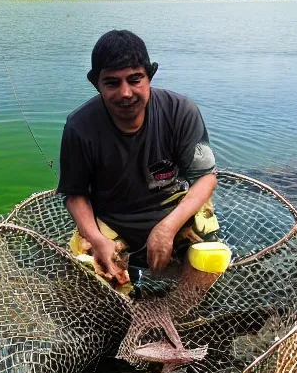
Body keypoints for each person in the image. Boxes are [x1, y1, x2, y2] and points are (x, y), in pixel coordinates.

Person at [57, 30, 217, 284]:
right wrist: (98, 241)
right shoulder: (79, 126)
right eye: (112, 83)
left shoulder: (180, 111)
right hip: (112, 221)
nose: (125, 93)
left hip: (173, 212)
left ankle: (180, 311)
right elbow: (75, 194)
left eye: (135, 79)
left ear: (150, 75)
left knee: (209, 261)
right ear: (95, 82)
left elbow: (206, 178)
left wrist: (167, 228)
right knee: (93, 280)